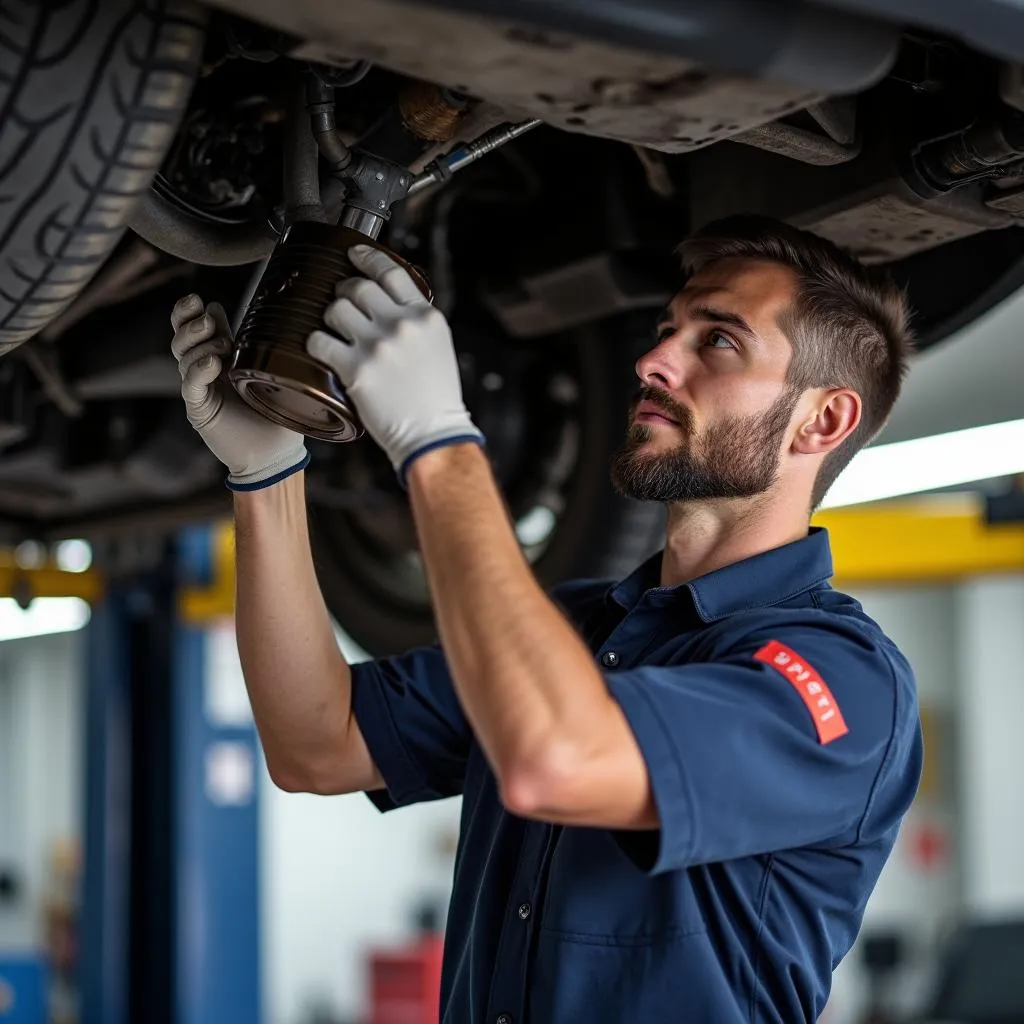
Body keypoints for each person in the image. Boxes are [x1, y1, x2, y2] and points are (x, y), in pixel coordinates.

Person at [170, 215, 923, 1023]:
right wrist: (267, 473)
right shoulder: (571, 627)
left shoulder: (847, 682)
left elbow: (555, 760)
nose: (653, 360)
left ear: (824, 422)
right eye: (669, 330)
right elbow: (316, 744)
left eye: (719, 343)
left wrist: (434, 436)